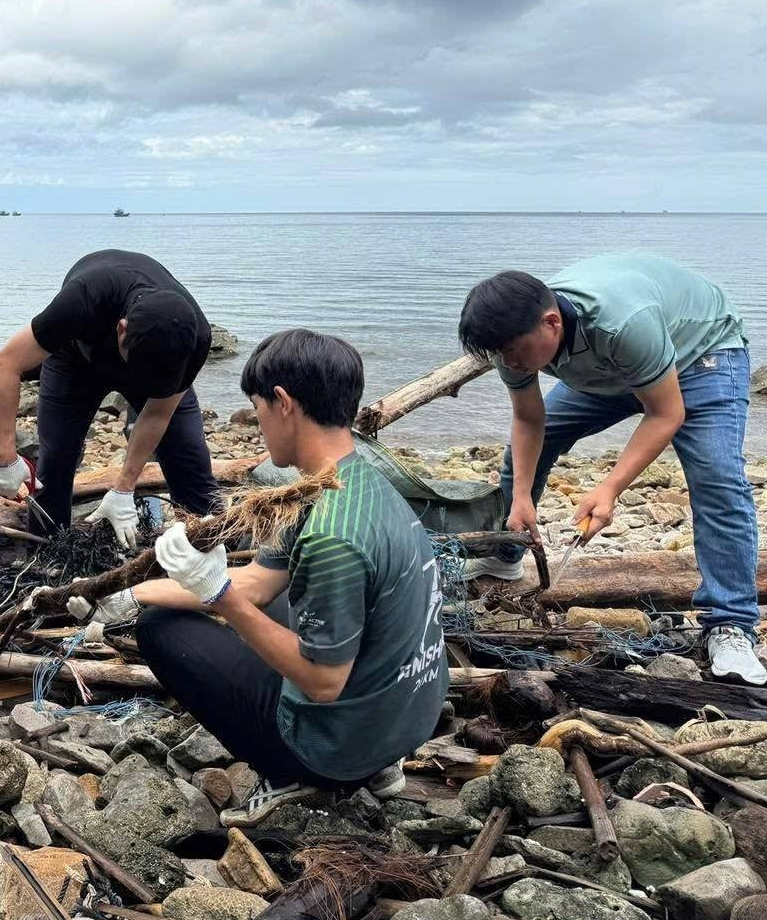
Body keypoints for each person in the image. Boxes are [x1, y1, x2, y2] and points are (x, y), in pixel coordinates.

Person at [73, 329, 448, 825]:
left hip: (336, 750)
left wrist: (218, 596)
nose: (256, 425)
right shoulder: (354, 480)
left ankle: (293, 775)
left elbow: (323, 683)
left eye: (257, 409)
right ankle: (378, 764)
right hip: (405, 718)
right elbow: (257, 583)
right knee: (236, 601)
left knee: (161, 632)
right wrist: (130, 594)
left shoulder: (330, 535)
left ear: (284, 403)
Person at [458, 254, 762, 684]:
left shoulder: (621, 323)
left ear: (551, 323)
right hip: (618, 368)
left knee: (717, 479)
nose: (509, 364)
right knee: (526, 455)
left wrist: (611, 487)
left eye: (513, 353)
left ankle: (731, 624)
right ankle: (506, 554)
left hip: (700, 355)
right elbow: (529, 420)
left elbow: (664, 413)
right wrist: (522, 497)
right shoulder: (513, 347)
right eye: (499, 356)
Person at [0, 250, 219, 545]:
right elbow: (5, 364)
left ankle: (209, 548)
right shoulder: (82, 300)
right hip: (75, 357)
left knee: (188, 455)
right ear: (122, 330)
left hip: (154, 355)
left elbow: (158, 413)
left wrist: (124, 489)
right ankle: (46, 555)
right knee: (56, 457)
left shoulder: (195, 337)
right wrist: (4, 455)